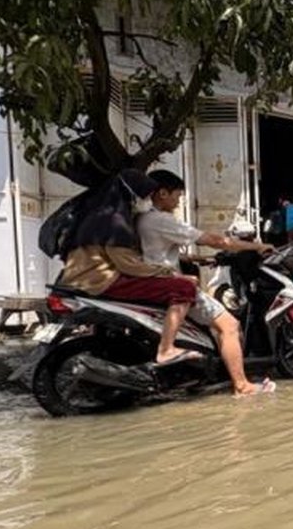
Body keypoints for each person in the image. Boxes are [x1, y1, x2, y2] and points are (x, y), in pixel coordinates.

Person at [137, 170, 275, 396]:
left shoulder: (142, 219)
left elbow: (157, 251)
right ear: (162, 193)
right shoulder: (161, 220)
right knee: (230, 326)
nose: (179, 201)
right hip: (171, 285)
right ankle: (243, 385)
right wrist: (256, 246)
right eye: (178, 196)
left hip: (155, 281)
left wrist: (195, 259)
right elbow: (216, 240)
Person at [56, 169, 201, 367]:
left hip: (80, 279)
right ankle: (166, 349)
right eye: (146, 195)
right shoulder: (116, 221)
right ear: (132, 193)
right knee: (184, 288)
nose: (148, 200)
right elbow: (129, 265)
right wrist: (169, 274)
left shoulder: (97, 216)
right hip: (101, 281)